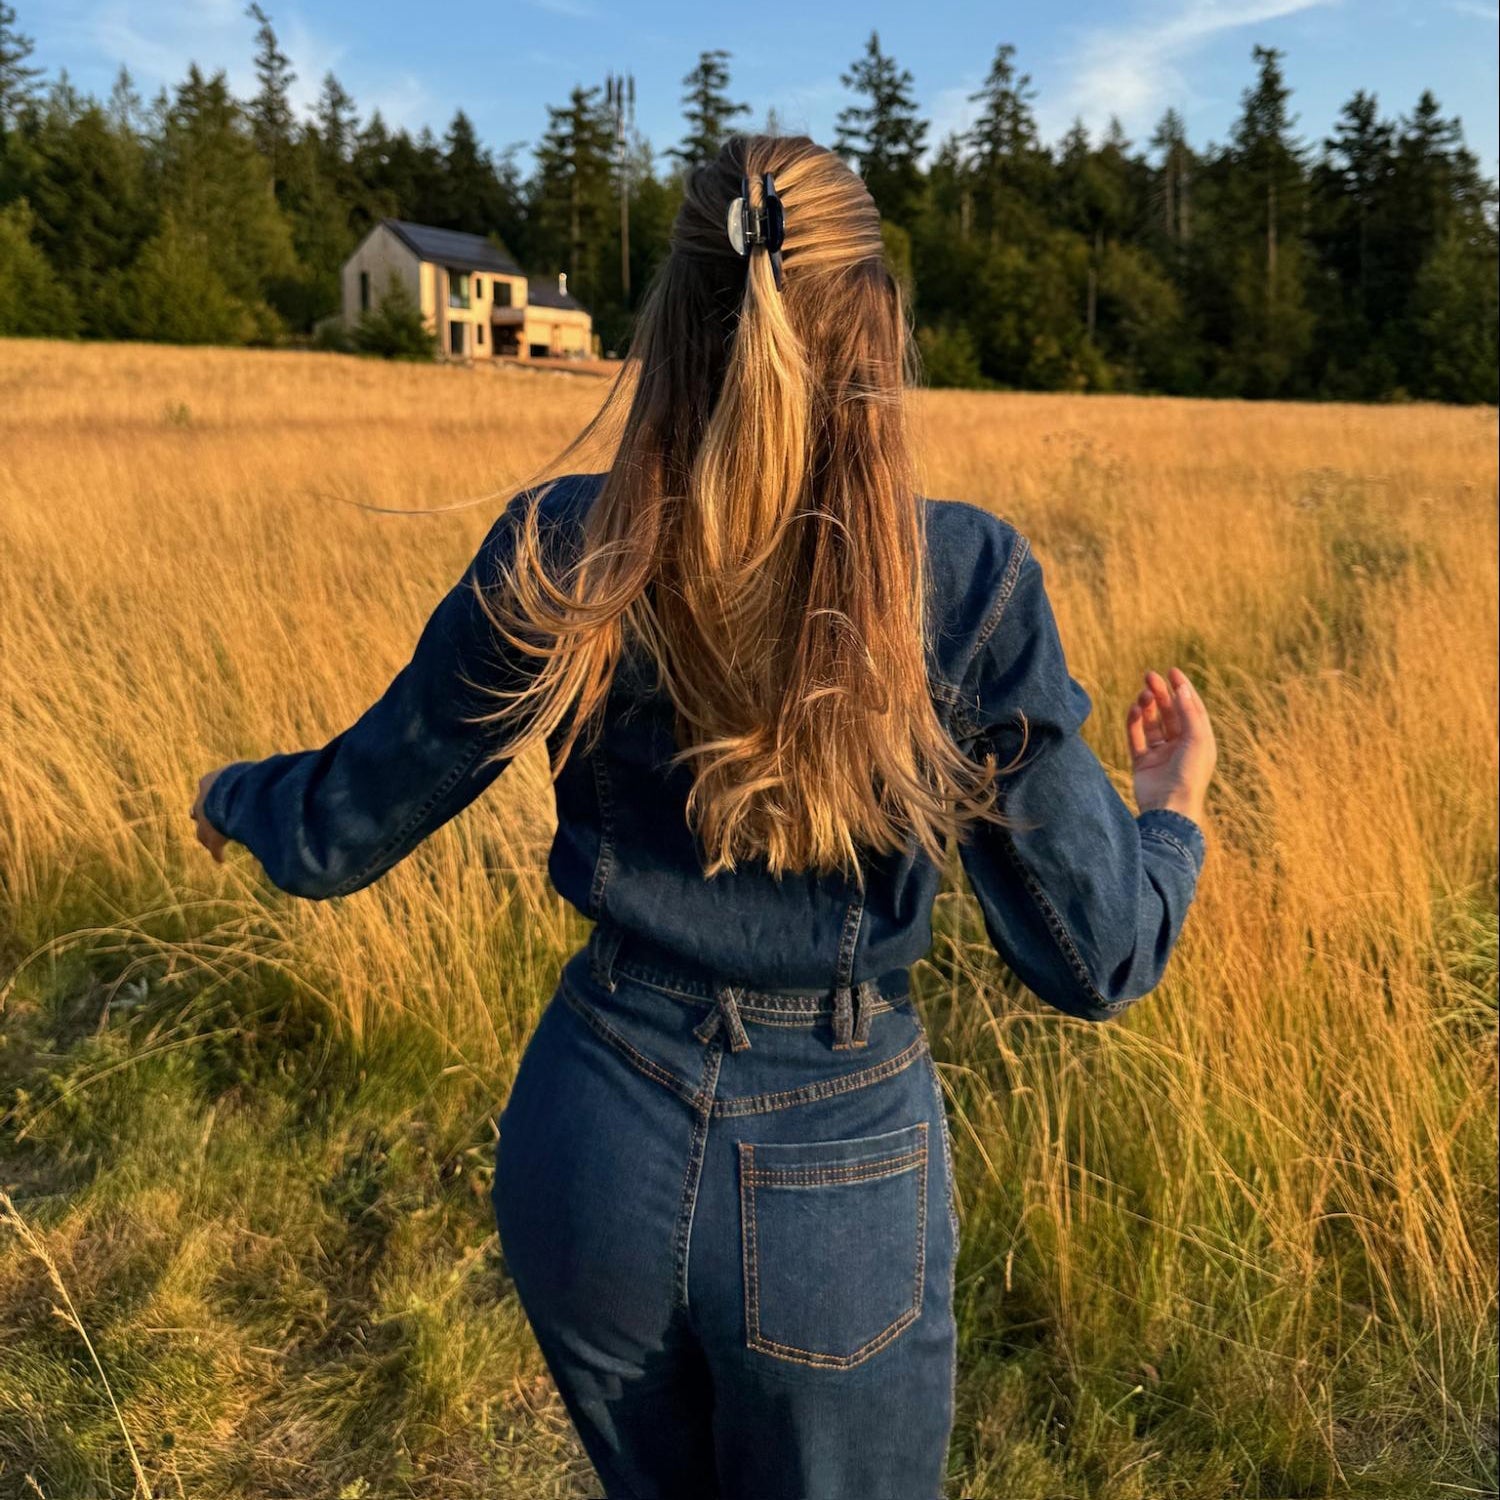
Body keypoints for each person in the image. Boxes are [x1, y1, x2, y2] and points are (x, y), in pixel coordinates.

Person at [191, 134, 1217, 1500]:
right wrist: (1172, 812)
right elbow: (1097, 958)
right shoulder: (965, 581)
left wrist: (232, 799)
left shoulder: (565, 547)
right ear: (878, 328)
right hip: (837, 1181)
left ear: (668, 320)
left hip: (589, 1134)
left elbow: (341, 824)